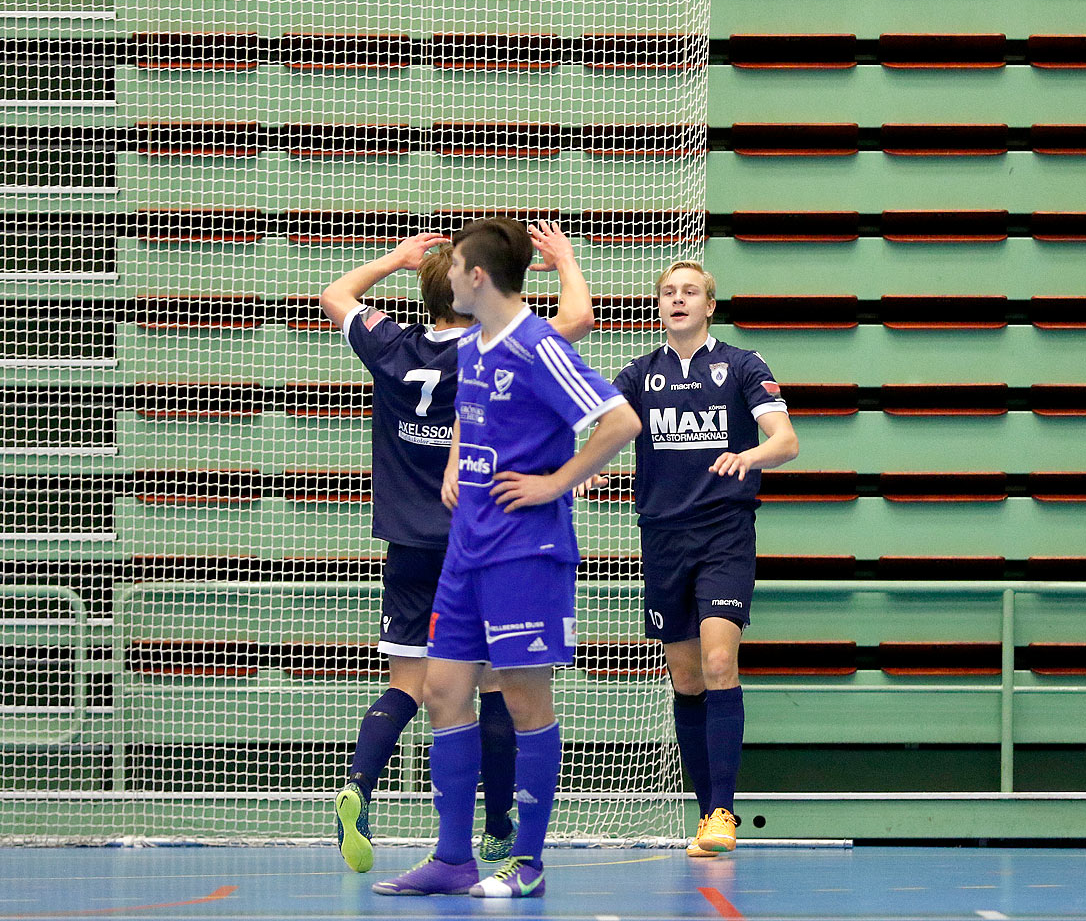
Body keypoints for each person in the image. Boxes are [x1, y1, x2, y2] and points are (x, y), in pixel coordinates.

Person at [371, 216, 640, 899]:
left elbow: (619, 421)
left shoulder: (537, 345)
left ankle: (528, 862)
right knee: (441, 692)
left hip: (526, 549)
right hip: (466, 547)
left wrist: (557, 481)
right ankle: (453, 858)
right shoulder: (477, 346)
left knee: (522, 699)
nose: (446, 276)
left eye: (454, 265)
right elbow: (471, 411)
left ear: (478, 276)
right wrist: (457, 460)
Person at [317, 223, 595, 875]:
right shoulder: (481, 345)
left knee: (442, 688)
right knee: (473, 688)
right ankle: (481, 838)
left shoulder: (414, 344)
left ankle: (373, 785)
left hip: (443, 540)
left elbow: (334, 294)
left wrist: (397, 258)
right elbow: (575, 320)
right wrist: (566, 262)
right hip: (473, 538)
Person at [611, 261, 799, 858]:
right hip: (662, 538)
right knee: (686, 678)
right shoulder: (639, 374)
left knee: (720, 662)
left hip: (723, 532)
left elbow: (786, 441)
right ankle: (703, 817)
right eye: (668, 292)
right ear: (658, 306)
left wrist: (751, 455)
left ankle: (724, 813)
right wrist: (584, 474)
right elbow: (604, 435)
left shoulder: (743, 366)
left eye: (690, 291)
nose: (678, 299)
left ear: (710, 305)